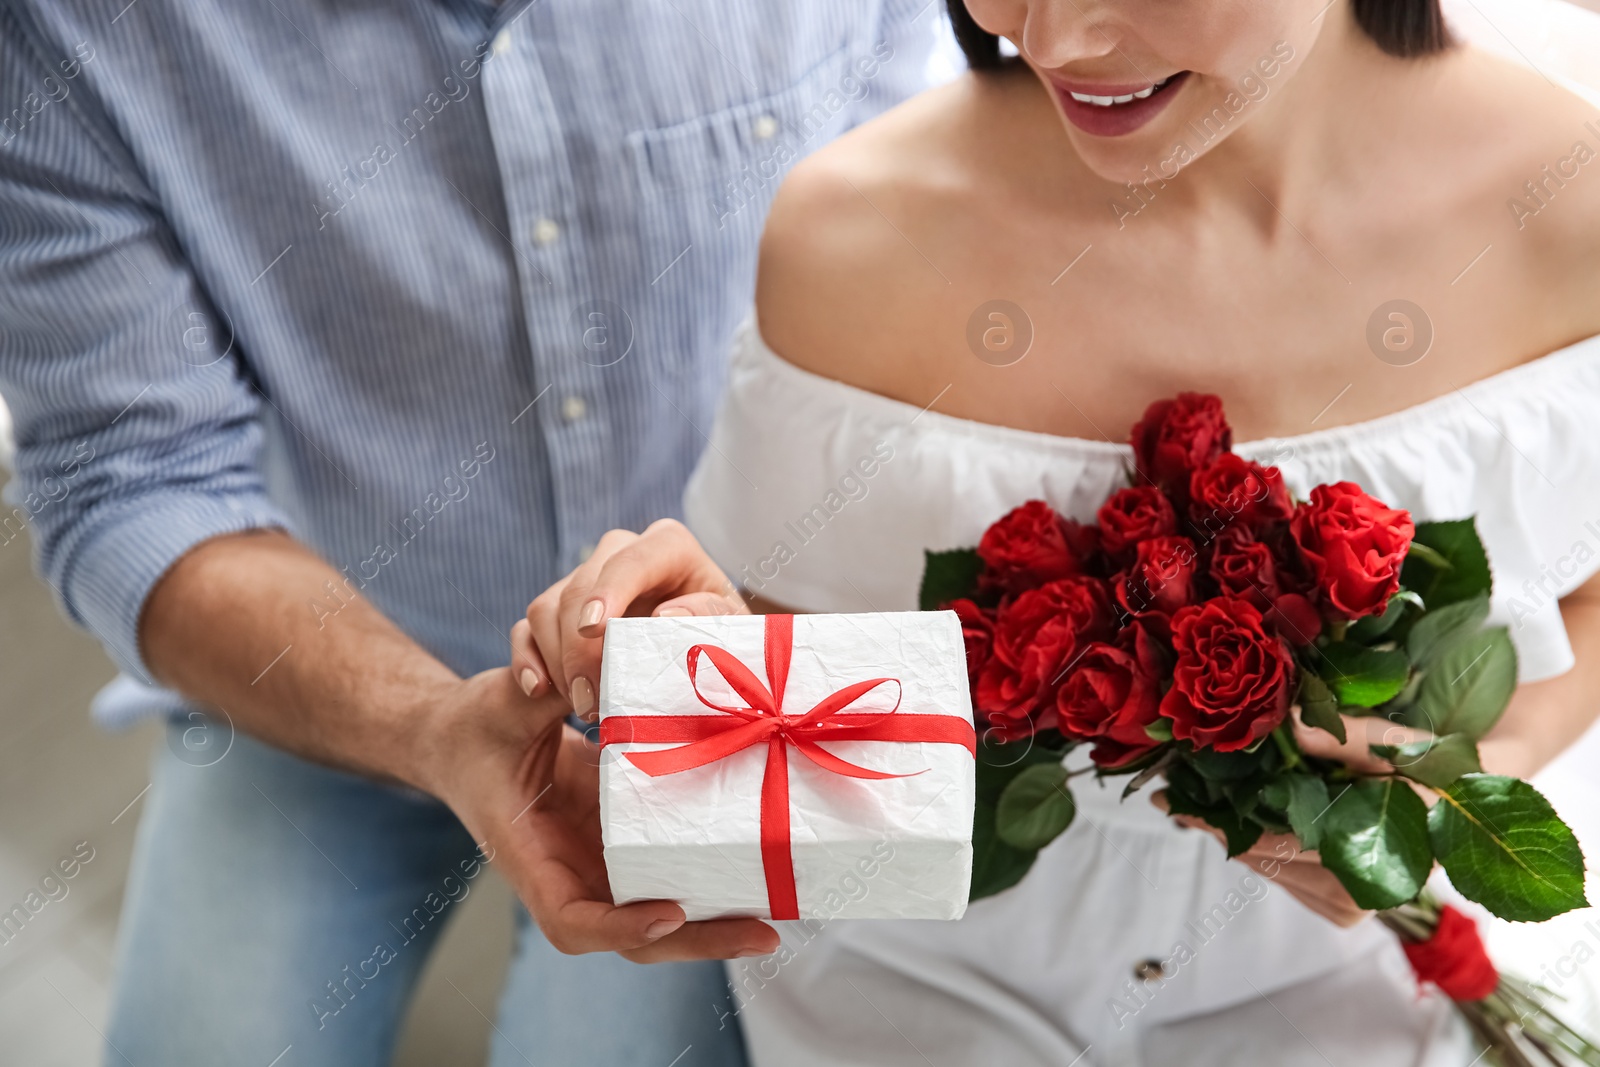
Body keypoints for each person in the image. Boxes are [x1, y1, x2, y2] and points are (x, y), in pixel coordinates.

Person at [516, 0, 1600, 1062]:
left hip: (1337, 999)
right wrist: (688, 654)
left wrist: (1480, 766)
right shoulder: (852, 232)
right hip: (892, 1001)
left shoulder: (1567, 197)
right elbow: (784, 705)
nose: (1053, 37)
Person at [0, 2, 936, 1063]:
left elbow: (923, 272)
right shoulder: (65, 30)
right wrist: (425, 720)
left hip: (714, 687)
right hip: (315, 656)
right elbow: (130, 480)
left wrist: (771, 626)